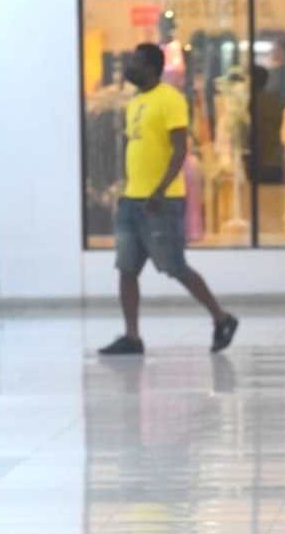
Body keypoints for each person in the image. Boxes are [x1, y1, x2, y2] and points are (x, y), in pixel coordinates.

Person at [100, 43, 239, 357]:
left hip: (160, 202)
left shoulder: (171, 99)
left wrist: (159, 191)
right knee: (126, 269)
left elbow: (179, 149)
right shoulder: (136, 102)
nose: (130, 68)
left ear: (152, 67)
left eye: (135, 62)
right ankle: (132, 336)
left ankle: (222, 318)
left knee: (175, 267)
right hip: (132, 200)